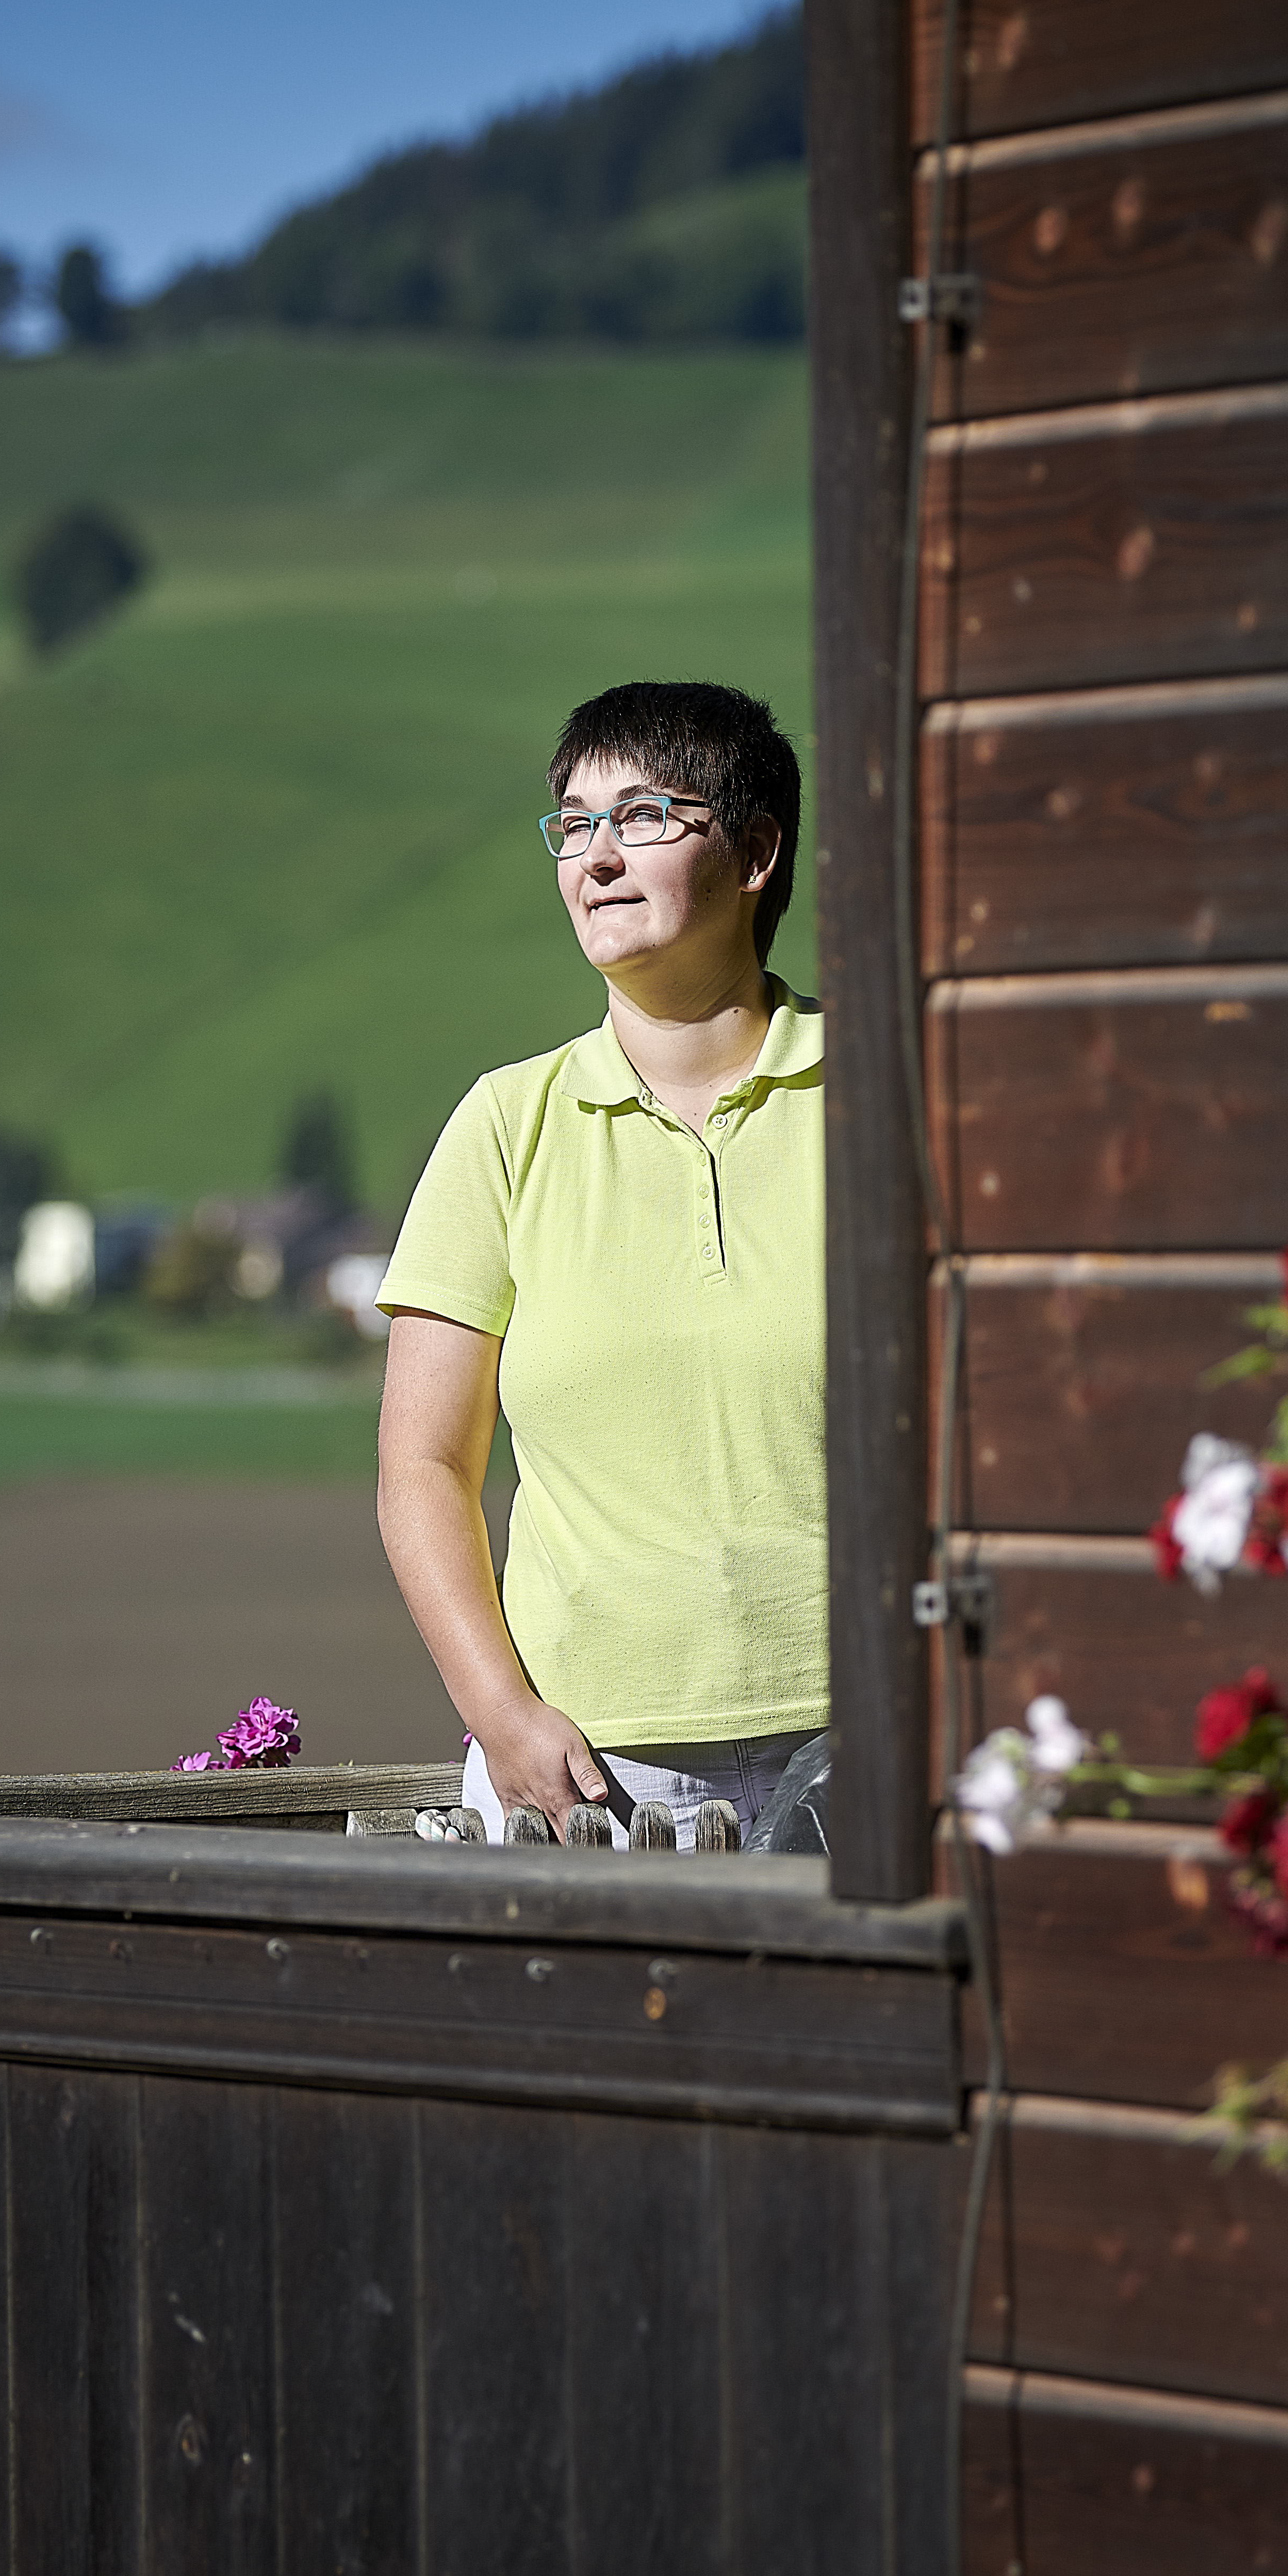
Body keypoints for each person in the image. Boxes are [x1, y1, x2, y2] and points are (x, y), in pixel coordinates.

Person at [374, 681, 827, 1849]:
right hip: (593, 1777)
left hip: (870, 1740)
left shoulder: (885, 1090)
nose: (597, 857)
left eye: (643, 816)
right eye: (573, 825)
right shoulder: (504, 1125)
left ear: (757, 851)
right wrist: (501, 1716)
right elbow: (424, 1464)